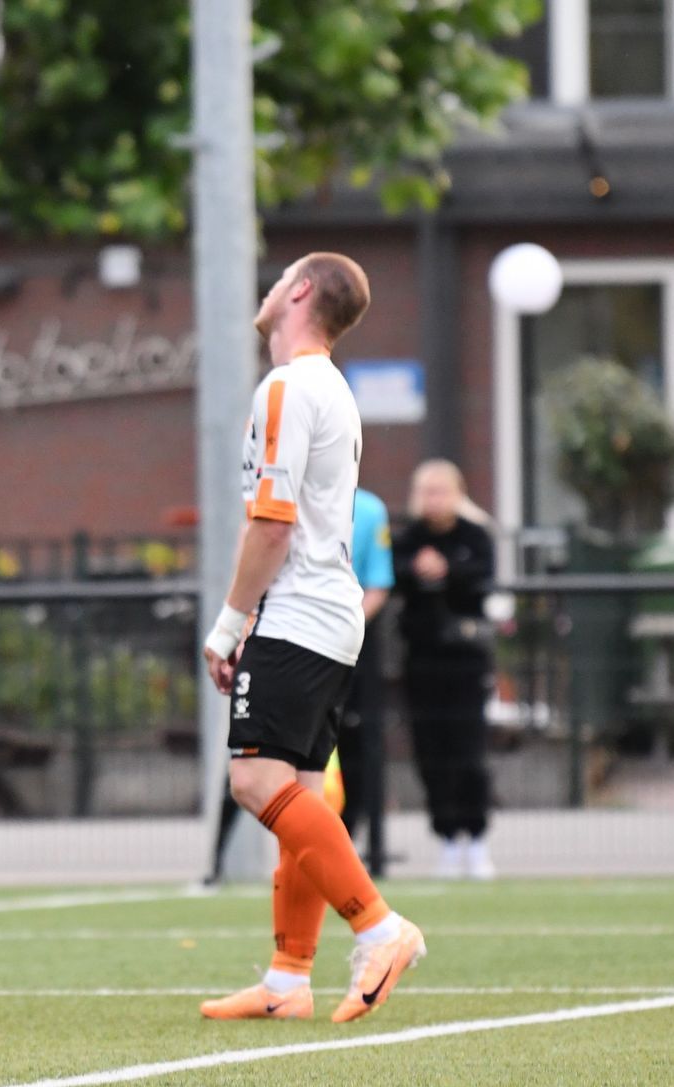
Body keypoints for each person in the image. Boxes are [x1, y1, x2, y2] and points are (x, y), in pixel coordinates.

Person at [198, 252, 427, 1024]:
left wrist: (230, 623)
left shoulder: (289, 385)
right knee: (295, 785)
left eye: (279, 278)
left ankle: (381, 928)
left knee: (254, 783)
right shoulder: (328, 387)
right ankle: (288, 978)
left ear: (299, 291)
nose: (267, 289)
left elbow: (271, 523)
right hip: (326, 615)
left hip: (297, 613)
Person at [201, 486, 392, 883]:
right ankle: (296, 929)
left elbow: (267, 536)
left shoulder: (286, 484)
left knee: (255, 778)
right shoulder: (297, 491)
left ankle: (369, 909)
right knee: (304, 781)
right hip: (313, 642)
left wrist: (230, 628)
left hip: (289, 641)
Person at [392, 459, 497, 880]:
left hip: (467, 660)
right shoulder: (408, 539)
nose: (433, 500)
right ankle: (447, 837)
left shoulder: (475, 536)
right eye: (427, 491)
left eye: (441, 491)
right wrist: (417, 570)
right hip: (422, 659)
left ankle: (477, 836)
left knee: (468, 750)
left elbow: (482, 576)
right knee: (430, 752)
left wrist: (447, 570)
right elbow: (393, 574)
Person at [337, 486, 395, 874]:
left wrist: (343, 629)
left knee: (355, 748)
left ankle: (343, 844)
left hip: (349, 645)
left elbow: (378, 584)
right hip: (294, 642)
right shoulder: (285, 494)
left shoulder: (370, 509)